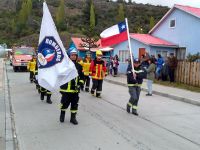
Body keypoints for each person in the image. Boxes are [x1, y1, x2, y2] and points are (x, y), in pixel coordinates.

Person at [59, 48, 84, 124]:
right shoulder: (64, 65)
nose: (73, 56)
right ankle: (62, 115)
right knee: (64, 103)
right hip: (65, 89)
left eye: (75, 55)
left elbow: (82, 77)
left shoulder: (79, 66)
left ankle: (73, 118)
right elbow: (60, 76)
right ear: (68, 56)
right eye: (72, 55)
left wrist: (80, 84)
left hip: (75, 90)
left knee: (74, 104)